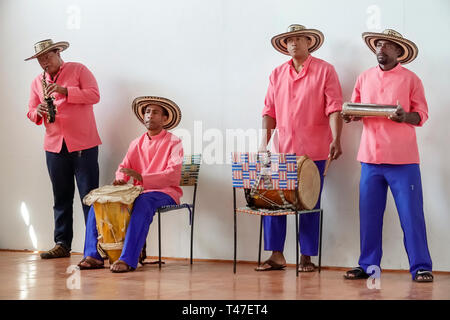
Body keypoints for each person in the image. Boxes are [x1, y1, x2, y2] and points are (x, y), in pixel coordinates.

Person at [343, 29, 433, 282]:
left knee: (411, 215)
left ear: (398, 51)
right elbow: (356, 109)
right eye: (378, 44)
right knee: (369, 216)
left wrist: (405, 117)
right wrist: (349, 115)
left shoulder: (411, 79)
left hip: (403, 161)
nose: (381, 48)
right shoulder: (364, 77)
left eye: (387, 45)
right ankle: (368, 265)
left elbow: (421, 115)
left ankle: (422, 266)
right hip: (370, 158)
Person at [257, 24, 343, 272]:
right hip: (282, 150)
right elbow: (268, 112)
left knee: (308, 204)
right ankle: (276, 256)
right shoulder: (276, 74)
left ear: (309, 42)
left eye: (298, 39)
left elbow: (334, 107)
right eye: (288, 40)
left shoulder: (325, 71)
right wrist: (263, 144)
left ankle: (306, 256)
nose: (293, 43)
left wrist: (336, 139)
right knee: (273, 202)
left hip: (313, 151)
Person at [78, 96, 184, 273]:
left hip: (165, 192)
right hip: (137, 192)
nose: (150, 115)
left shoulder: (174, 142)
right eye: (147, 112)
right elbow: (124, 167)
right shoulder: (136, 142)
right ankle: (93, 256)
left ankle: (128, 258)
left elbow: (173, 175)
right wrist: (121, 178)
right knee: (99, 201)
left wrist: (143, 178)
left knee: (143, 202)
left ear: (165, 119)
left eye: (155, 112)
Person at [25, 39, 101, 259]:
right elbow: (30, 112)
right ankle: (62, 244)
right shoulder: (36, 82)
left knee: (89, 198)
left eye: (47, 57)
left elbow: (95, 95)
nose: (44, 62)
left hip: (83, 145)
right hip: (54, 147)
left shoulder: (79, 70)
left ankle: (92, 249)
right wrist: (37, 111)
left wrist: (64, 90)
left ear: (58, 53)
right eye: (40, 59)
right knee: (61, 198)